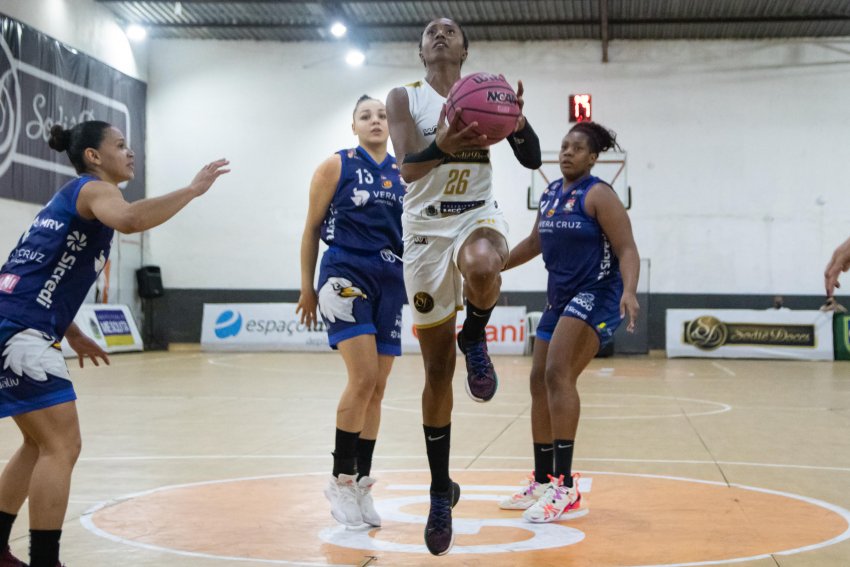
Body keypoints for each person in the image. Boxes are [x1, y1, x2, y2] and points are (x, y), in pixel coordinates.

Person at [0, 121, 228, 567]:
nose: (130, 152)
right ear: (93, 156)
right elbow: (131, 221)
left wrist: (72, 332)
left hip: (18, 320)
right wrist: (192, 190)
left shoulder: (71, 198)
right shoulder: (95, 191)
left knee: (38, 444)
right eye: (120, 145)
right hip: (22, 331)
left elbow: (40, 271)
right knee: (62, 446)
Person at [385, 17, 541, 555]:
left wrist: (517, 121)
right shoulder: (404, 97)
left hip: (476, 214)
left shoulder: (489, 93)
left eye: (450, 31)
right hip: (424, 230)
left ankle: (474, 335)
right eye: (431, 31)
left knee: (482, 265)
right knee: (436, 372)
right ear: (421, 50)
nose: (440, 34)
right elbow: (408, 168)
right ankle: (439, 490)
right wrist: (445, 144)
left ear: (465, 50)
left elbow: (532, 158)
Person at [500, 121, 640, 523]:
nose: (567, 152)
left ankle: (565, 487)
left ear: (592, 158)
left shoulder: (599, 194)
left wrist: (630, 291)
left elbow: (627, 249)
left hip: (597, 293)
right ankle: (542, 479)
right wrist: (494, 267)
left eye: (577, 148)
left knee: (557, 373)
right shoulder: (548, 194)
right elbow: (533, 244)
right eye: (564, 146)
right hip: (560, 297)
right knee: (537, 380)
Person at [296, 95, 405, 528]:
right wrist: (306, 288)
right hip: (345, 272)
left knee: (378, 388)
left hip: (391, 278)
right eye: (366, 116)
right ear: (354, 126)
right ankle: (340, 480)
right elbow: (310, 229)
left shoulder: (405, 172)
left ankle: (361, 483)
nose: (375, 121)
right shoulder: (335, 166)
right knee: (362, 378)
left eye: (382, 115)